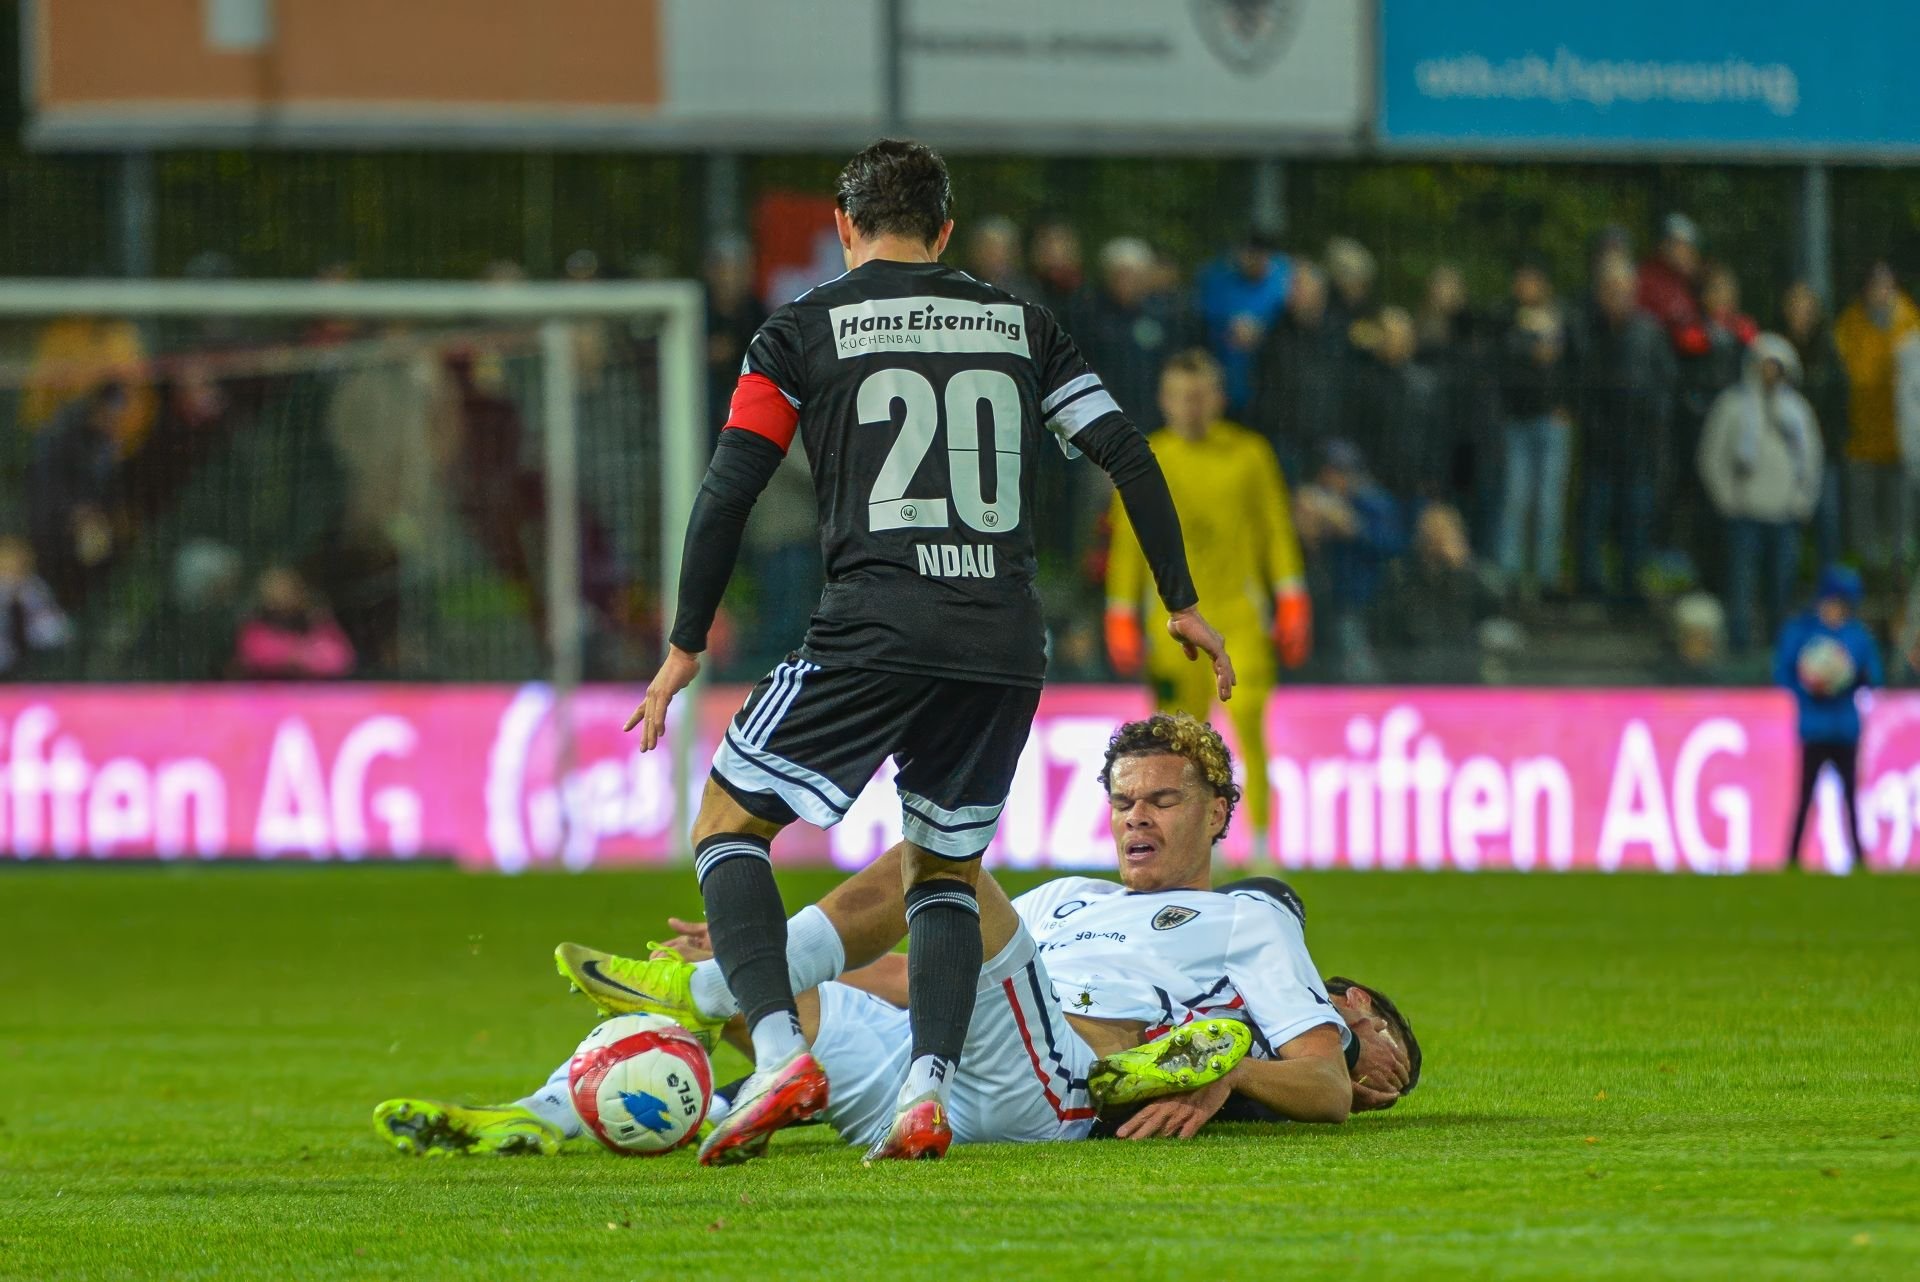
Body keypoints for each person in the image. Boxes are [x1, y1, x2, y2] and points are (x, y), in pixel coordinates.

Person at [625, 140, 1233, 1166]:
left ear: (844, 224)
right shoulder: (1022, 322)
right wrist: (1181, 600)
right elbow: (1127, 452)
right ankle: (927, 1091)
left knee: (728, 823)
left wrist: (687, 640)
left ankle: (777, 1053)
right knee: (944, 865)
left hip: (876, 621)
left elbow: (731, 484)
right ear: (946, 230)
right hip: (1003, 637)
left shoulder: (800, 329)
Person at [376, 715, 1417, 1157]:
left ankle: (721, 989)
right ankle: (533, 1118)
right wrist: (762, 967)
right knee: (781, 1007)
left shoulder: (1251, 918)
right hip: (940, 1066)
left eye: (1164, 800)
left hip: (1047, 1083)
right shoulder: (1067, 894)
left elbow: (1326, 1085)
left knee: (939, 855)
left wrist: (1227, 1073)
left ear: (1219, 810)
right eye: (1123, 801)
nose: (1136, 819)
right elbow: (919, 973)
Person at [1105, 352, 1310, 864]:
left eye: (1199, 396)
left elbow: (1275, 529)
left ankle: (1261, 846)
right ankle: (1198, 849)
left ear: (1218, 399)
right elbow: (1127, 541)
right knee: (1180, 746)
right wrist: (1119, 611)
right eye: (1180, 396)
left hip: (1240, 618)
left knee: (1249, 722)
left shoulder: (1250, 454)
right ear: (1164, 400)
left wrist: (1291, 596)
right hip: (1171, 626)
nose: (1190, 407)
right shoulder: (1146, 456)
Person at [1696, 335, 1822, 654]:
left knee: (1782, 584)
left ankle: (1778, 646)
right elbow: (1712, 455)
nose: (1769, 372)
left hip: (1784, 513)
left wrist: (1803, 499)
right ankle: (1739, 645)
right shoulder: (1732, 405)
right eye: (1764, 365)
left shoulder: (1797, 410)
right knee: (1741, 582)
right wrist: (1726, 497)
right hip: (1744, 511)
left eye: (1775, 366)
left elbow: (1811, 458)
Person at [1570, 257, 1677, 605]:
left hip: (1639, 444)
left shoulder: (1649, 331)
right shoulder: (1588, 330)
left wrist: (1654, 430)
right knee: (1592, 519)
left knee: (1636, 522)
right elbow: (1580, 385)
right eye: (1610, 290)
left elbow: (1665, 383)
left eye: (1622, 289)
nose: (1616, 297)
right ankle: (1590, 588)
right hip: (1599, 445)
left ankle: (1631, 590)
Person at [1776, 567, 1883, 872]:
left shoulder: (1856, 635)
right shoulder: (1803, 632)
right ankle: (1792, 860)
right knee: (1805, 796)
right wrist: (1810, 685)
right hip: (1814, 728)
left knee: (1850, 798)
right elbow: (1783, 673)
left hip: (1845, 729)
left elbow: (1874, 676)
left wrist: (1853, 677)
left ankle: (1859, 859)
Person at [1833, 262, 1920, 572]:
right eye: (1874, 286)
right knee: (1863, 522)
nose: (1880, 292)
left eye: (1886, 285)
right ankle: (1868, 578)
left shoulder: (1911, 323)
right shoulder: (1849, 325)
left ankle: (1899, 577)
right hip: (1860, 441)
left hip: (1901, 442)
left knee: (1901, 521)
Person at [1292, 440, 1403, 682]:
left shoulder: (1373, 502)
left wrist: (1354, 527)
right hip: (1324, 602)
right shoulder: (1317, 500)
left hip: (1367, 601)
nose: (1331, 478)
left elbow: (1394, 545)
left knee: (1359, 670)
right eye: (1328, 471)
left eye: (1339, 471)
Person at [1495, 262, 1572, 597]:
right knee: (1515, 499)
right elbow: (1501, 363)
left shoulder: (1564, 319)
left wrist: (1567, 404)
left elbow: (1577, 363)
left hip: (1551, 421)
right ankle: (1509, 575)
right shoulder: (1505, 319)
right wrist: (1531, 350)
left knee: (1548, 502)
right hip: (1517, 420)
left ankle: (1546, 576)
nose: (1524, 287)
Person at [1067, 237, 1196, 428]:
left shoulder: (1165, 316)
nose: (1126, 281)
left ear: (1146, 276)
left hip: (1156, 419)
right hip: (1103, 420)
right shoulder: (1089, 317)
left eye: (1133, 274)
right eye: (1120, 274)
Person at [26, 382, 125, 610]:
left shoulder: (105, 441)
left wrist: (99, 512)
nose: (113, 420)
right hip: (52, 522)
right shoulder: (62, 434)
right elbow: (44, 482)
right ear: (96, 407)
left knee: (98, 555)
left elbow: (104, 487)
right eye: (108, 412)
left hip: (83, 522)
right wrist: (74, 511)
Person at [1248, 261, 1346, 484]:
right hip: (1284, 438)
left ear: (1320, 291)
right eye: (1293, 286)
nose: (1293, 292)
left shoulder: (1338, 333)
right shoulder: (1275, 332)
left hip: (1326, 440)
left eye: (1301, 285)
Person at [1780, 282, 1851, 568]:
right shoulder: (1776, 350)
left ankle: (1829, 584)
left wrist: (1833, 442)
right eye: (1795, 308)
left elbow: (1840, 400)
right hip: (1785, 452)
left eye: (1806, 309)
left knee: (1828, 518)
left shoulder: (1828, 351)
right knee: (1787, 522)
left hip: (1823, 450)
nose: (1801, 315)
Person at [1194, 230, 1291, 417]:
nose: (1250, 260)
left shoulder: (1284, 280)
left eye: (1257, 255)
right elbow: (1204, 324)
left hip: (1270, 384)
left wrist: (1262, 333)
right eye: (1246, 254)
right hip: (1226, 381)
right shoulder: (1219, 281)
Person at [231, 566, 356, 680]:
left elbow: (342, 657)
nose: (281, 595)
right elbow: (253, 655)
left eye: (286, 588)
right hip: (266, 692)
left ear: (298, 591)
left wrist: (307, 657)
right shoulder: (256, 624)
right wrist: (290, 655)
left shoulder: (316, 620)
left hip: (314, 691)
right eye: (275, 589)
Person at [0, 535, 72, 680]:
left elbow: (56, 623)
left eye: (16, 561)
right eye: (6, 561)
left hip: (34, 644)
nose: (12, 566)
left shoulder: (35, 586)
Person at [963, 216, 1040, 302]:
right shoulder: (960, 283)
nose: (988, 253)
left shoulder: (1025, 291)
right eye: (984, 247)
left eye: (995, 248)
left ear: (1012, 252)